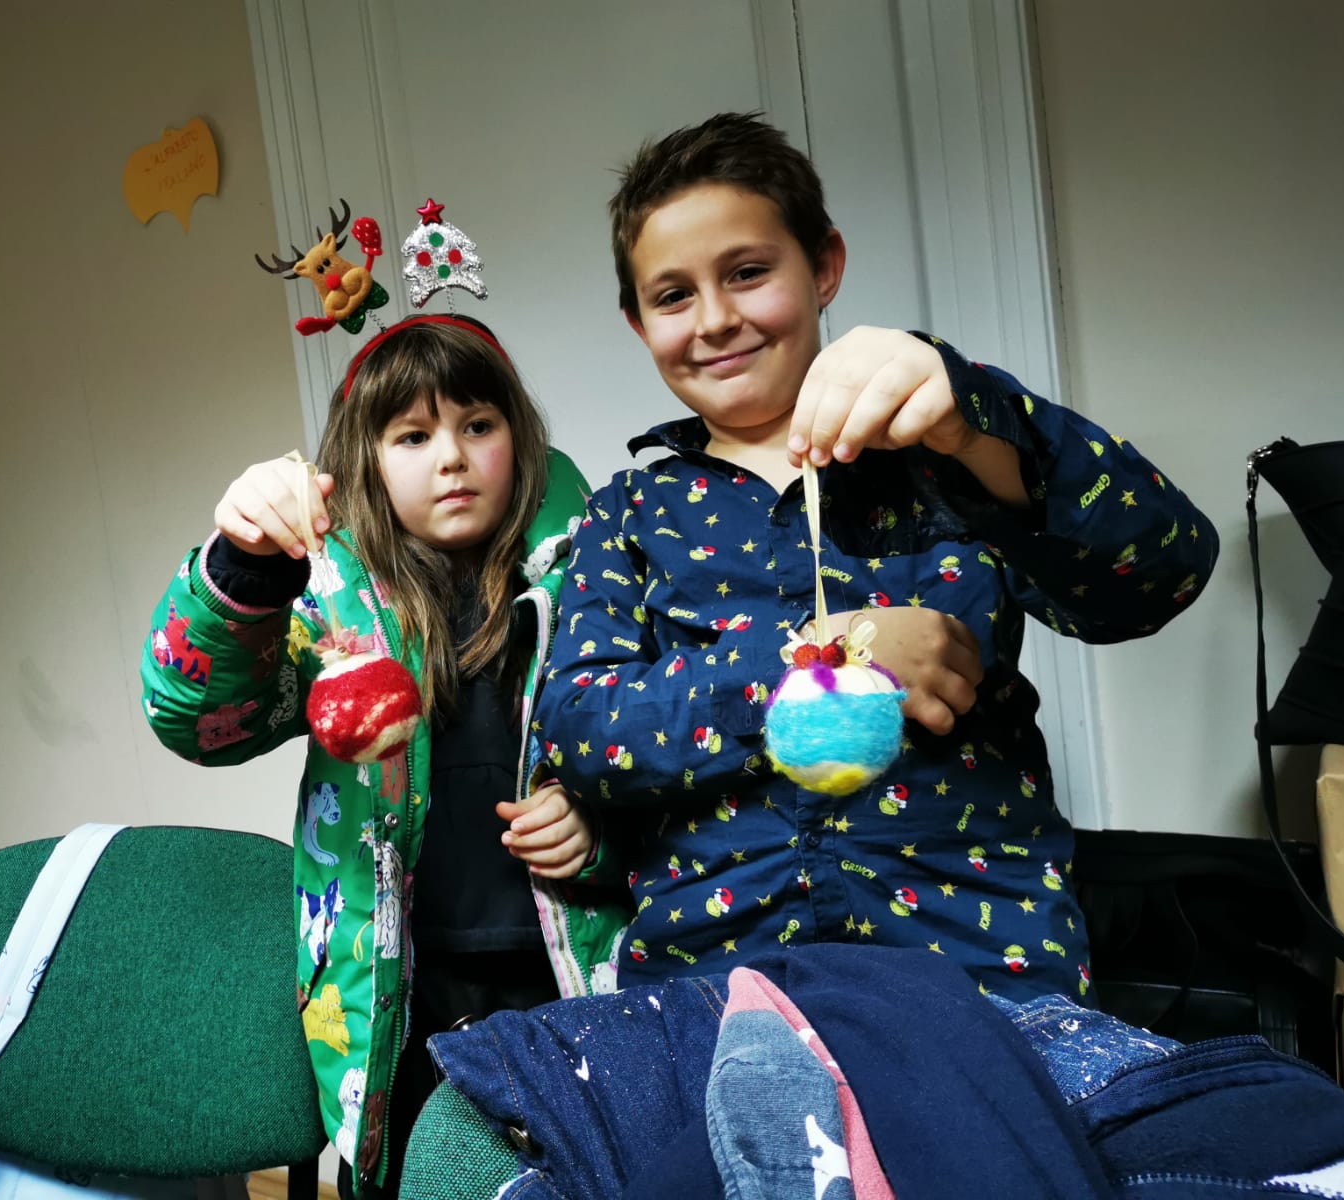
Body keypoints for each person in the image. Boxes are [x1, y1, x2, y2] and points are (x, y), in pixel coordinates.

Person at [536, 112, 1218, 1002]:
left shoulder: (951, 452)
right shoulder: (628, 511)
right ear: (638, 323)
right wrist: (823, 656)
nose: (716, 319)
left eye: (747, 272)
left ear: (824, 267)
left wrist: (975, 423)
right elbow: (580, 730)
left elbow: (1163, 572)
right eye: (673, 296)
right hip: (714, 987)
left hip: (978, 971)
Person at [141, 314, 629, 1198]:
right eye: (413, 436)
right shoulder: (328, 605)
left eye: (477, 425)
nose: (452, 458)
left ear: (520, 439)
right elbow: (201, 719)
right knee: (416, 1176)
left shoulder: (595, 584)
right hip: (399, 987)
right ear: (363, 461)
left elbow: (672, 773)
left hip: (571, 969)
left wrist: (601, 834)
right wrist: (244, 566)